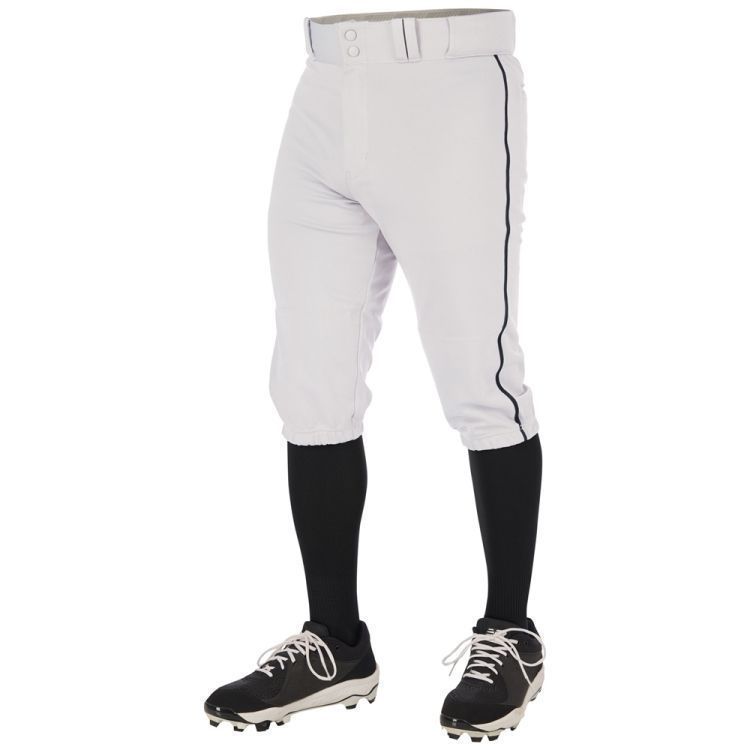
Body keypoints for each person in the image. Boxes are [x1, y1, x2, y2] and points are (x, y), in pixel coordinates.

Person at [204, 9, 545, 740]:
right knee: (311, 383)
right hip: (325, 85)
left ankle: (512, 633)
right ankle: (337, 643)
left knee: (478, 373)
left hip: (449, 86)